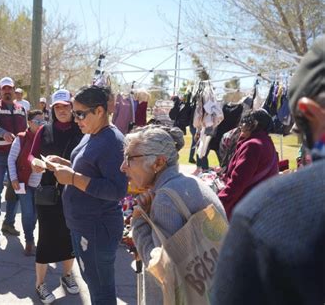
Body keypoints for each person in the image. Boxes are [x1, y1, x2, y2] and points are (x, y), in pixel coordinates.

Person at [211, 36, 325, 305]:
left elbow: (238, 183)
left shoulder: (269, 216)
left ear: (310, 113)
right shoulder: (262, 143)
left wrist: (217, 211)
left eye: (300, 127)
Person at [120, 124, 226, 304]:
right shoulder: (191, 181)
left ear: (158, 163)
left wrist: (139, 222)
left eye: (130, 159)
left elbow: (160, 270)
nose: (123, 167)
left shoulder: (165, 200)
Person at [49, 86, 128, 304]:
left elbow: (117, 189)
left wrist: (73, 178)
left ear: (100, 111)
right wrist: (63, 164)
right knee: (94, 283)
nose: (76, 119)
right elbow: (89, 167)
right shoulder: (92, 133)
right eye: (75, 113)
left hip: (97, 229)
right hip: (83, 225)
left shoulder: (113, 142)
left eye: (80, 114)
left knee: (101, 289)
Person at [29, 89, 83, 304]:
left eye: (66, 106)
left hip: (74, 191)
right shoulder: (44, 130)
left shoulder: (82, 130)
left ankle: (67, 275)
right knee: (46, 237)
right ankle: (40, 284)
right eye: (57, 107)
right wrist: (34, 162)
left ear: (72, 108)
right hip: (49, 192)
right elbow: (31, 154)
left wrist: (66, 164)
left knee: (69, 236)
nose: (62, 110)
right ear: (52, 109)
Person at [217, 109, 278, 219]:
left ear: (255, 125)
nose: (242, 126)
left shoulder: (253, 145)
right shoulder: (265, 140)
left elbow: (237, 183)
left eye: (247, 122)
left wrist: (217, 202)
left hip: (246, 208)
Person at [0, 77, 27, 234]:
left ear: (14, 89)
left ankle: (9, 223)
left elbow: (25, 130)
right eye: (4, 88)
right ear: (0, 90)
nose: (7, 91)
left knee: (15, 190)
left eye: (10, 88)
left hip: (16, 157)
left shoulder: (21, 109)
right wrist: (3, 133)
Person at [7, 109, 46, 256]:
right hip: (23, 182)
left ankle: (30, 234)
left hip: (41, 185)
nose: (41, 124)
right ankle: (29, 240)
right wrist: (14, 179)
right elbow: (11, 159)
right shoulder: (21, 138)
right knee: (28, 212)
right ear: (29, 122)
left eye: (43, 121)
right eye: (37, 122)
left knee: (35, 214)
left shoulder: (46, 137)